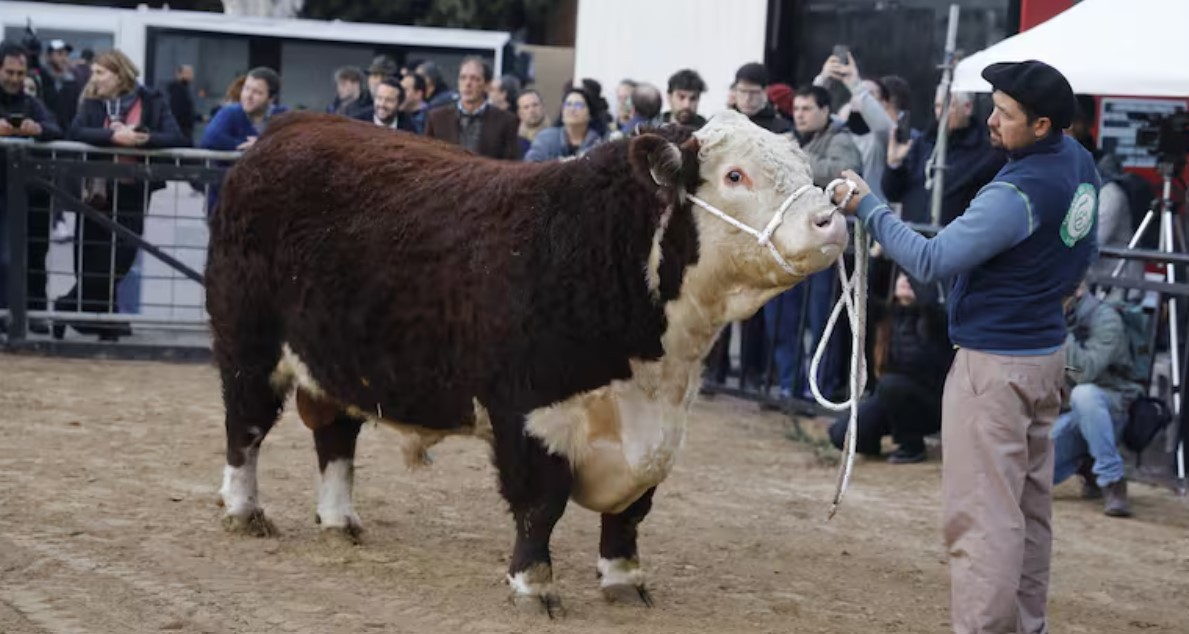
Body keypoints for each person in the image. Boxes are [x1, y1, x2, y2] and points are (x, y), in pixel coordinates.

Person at [831, 60, 1099, 634]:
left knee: (982, 518)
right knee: (1027, 512)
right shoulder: (1079, 164)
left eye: (1006, 114)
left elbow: (931, 259)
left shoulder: (1018, 189)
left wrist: (869, 207)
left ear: (1044, 124)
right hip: (1042, 355)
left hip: (995, 367)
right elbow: (1081, 257)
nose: (992, 121)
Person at [61, 48, 188, 341]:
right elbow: (76, 132)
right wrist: (112, 137)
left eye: (100, 73)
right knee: (92, 257)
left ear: (120, 75)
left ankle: (66, 307)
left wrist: (143, 139)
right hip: (97, 190)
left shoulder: (151, 100)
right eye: (94, 72)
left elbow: (177, 137)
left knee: (122, 258)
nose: (94, 78)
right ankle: (105, 323)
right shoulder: (92, 101)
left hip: (133, 190)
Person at [828, 273, 952, 462]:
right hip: (890, 397)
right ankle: (877, 442)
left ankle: (912, 447)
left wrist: (920, 284)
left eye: (912, 279)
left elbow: (930, 304)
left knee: (891, 384)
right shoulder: (885, 316)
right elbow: (856, 294)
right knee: (840, 434)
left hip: (929, 403)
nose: (906, 281)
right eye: (902, 277)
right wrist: (873, 258)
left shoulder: (935, 319)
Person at [1052, 282, 1144, 517]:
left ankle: (1113, 481)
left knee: (1086, 395)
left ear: (1078, 287)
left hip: (1112, 407)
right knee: (1024, 473)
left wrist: (1058, 327)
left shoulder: (1106, 318)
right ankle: (1087, 464)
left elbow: (1084, 372)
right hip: (1070, 414)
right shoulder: (1048, 315)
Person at [0, 40, 63, 335]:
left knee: (36, 253)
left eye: (19, 73)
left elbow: (56, 126)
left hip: (31, 192)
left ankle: (35, 312)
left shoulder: (31, 102)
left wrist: (36, 129)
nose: (14, 78)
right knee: (5, 256)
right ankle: (6, 314)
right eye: (9, 72)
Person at [425, 57, 520, 160]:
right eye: (463, 78)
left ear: (487, 85)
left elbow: (510, 164)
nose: (467, 84)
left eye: (475, 79)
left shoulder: (506, 121)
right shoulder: (437, 118)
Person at [524, 86, 603, 161]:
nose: (572, 109)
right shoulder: (546, 138)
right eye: (568, 104)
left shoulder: (598, 144)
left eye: (578, 105)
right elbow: (530, 167)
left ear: (590, 113)